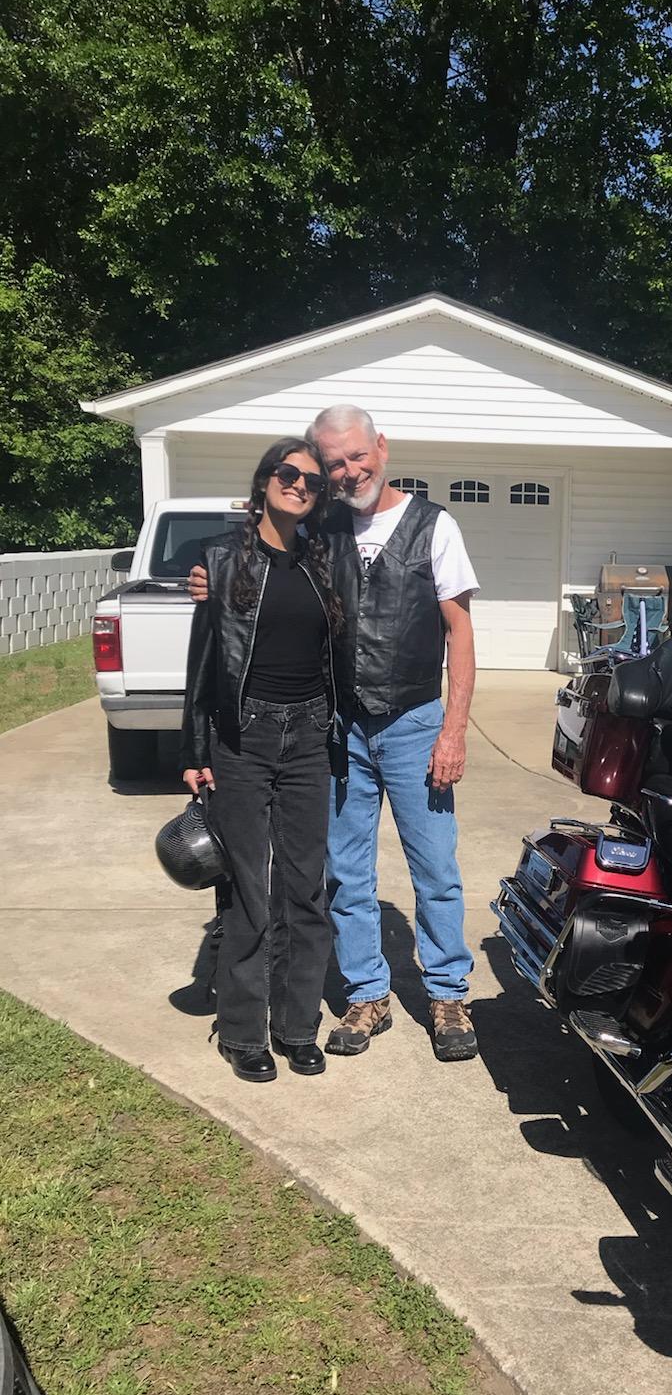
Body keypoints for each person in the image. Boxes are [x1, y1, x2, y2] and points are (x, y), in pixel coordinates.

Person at [188, 404, 481, 1063]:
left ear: (382, 446)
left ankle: (446, 994)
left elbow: (460, 631)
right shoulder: (321, 527)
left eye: (358, 456)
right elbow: (258, 544)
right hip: (337, 727)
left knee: (434, 867)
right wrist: (210, 568)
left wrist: (454, 730)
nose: (349, 471)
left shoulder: (435, 526)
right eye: (335, 463)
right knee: (345, 872)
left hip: (414, 722)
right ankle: (367, 993)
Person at [182, 438, 346, 1083]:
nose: (299, 484)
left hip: (309, 735)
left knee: (305, 889)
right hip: (242, 736)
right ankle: (243, 1032)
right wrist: (194, 749)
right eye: (287, 472)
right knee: (249, 890)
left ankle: (297, 1027)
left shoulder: (325, 560)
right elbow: (202, 659)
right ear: (264, 480)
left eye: (312, 480)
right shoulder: (220, 559)